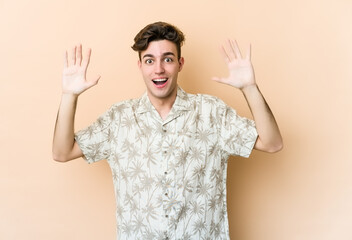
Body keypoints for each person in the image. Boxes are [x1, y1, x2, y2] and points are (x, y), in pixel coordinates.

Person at [52, 21, 283, 240]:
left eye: (168, 59)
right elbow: (62, 152)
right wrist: (68, 96)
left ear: (180, 64)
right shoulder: (119, 118)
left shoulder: (210, 112)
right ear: (140, 65)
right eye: (150, 60)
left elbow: (272, 143)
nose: (159, 69)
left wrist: (250, 88)